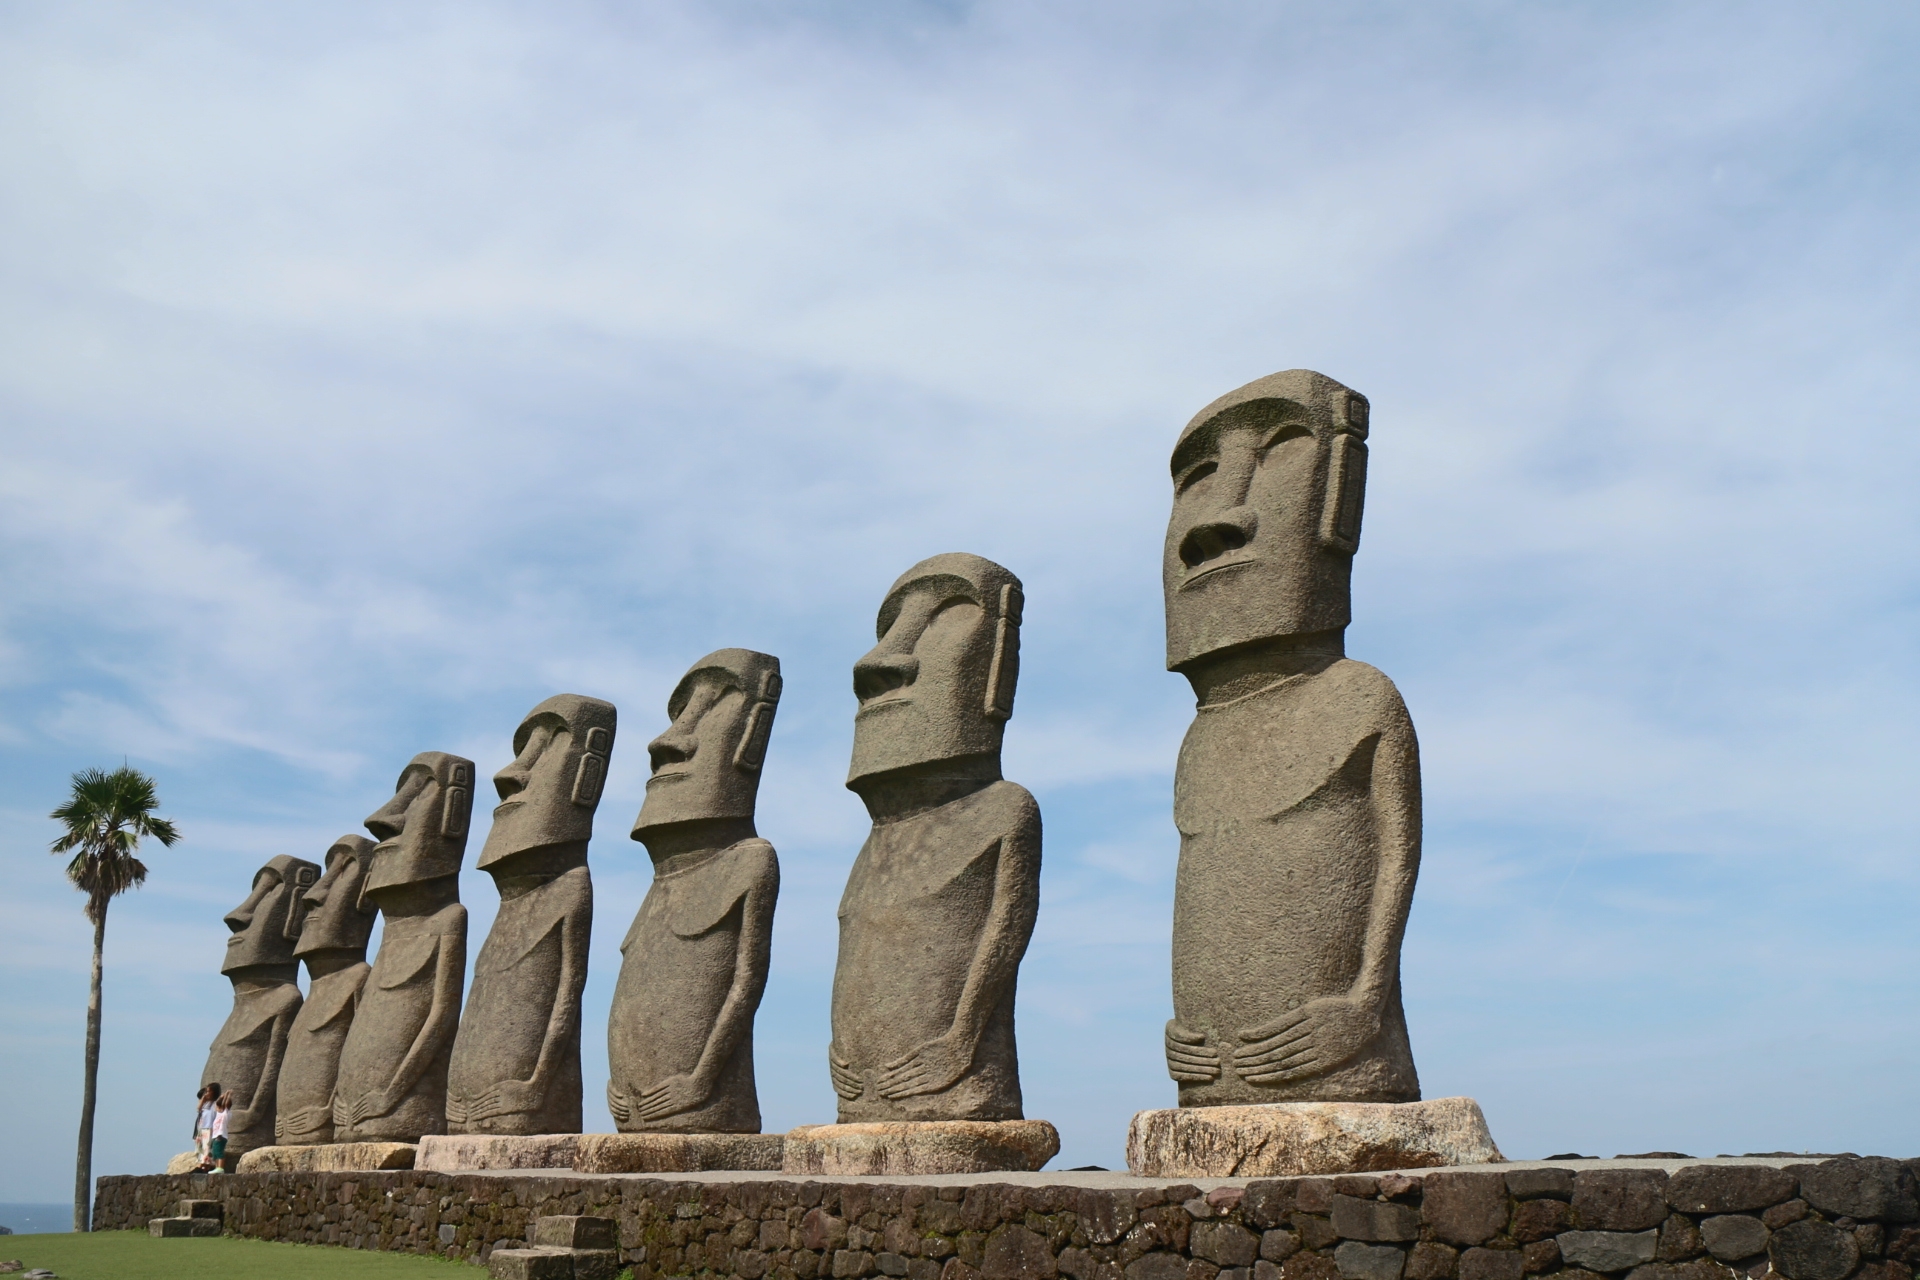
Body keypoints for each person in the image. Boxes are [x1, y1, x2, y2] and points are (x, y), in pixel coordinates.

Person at [191, 1083, 220, 1167]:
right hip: (201, 1128)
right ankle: (202, 1164)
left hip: (209, 1128)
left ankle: (205, 1165)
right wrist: (203, 1099)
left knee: (206, 1148)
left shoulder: (215, 1103)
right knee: (199, 1148)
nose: (206, 1093)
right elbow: (198, 1108)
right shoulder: (205, 1104)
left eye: (208, 1092)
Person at [205, 1091, 233, 1173]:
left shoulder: (226, 1113)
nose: (215, 1108)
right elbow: (216, 1103)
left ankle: (220, 1168)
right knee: (215, 1153)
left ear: (221, 1107)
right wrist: (221, 1096)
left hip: (220, 1136)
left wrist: (228, 1095)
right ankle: (217, 1167)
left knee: (219, 1152)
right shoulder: (217, 1114)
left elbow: (227, 1104)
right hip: (215, 1136)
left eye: (217, 1107)